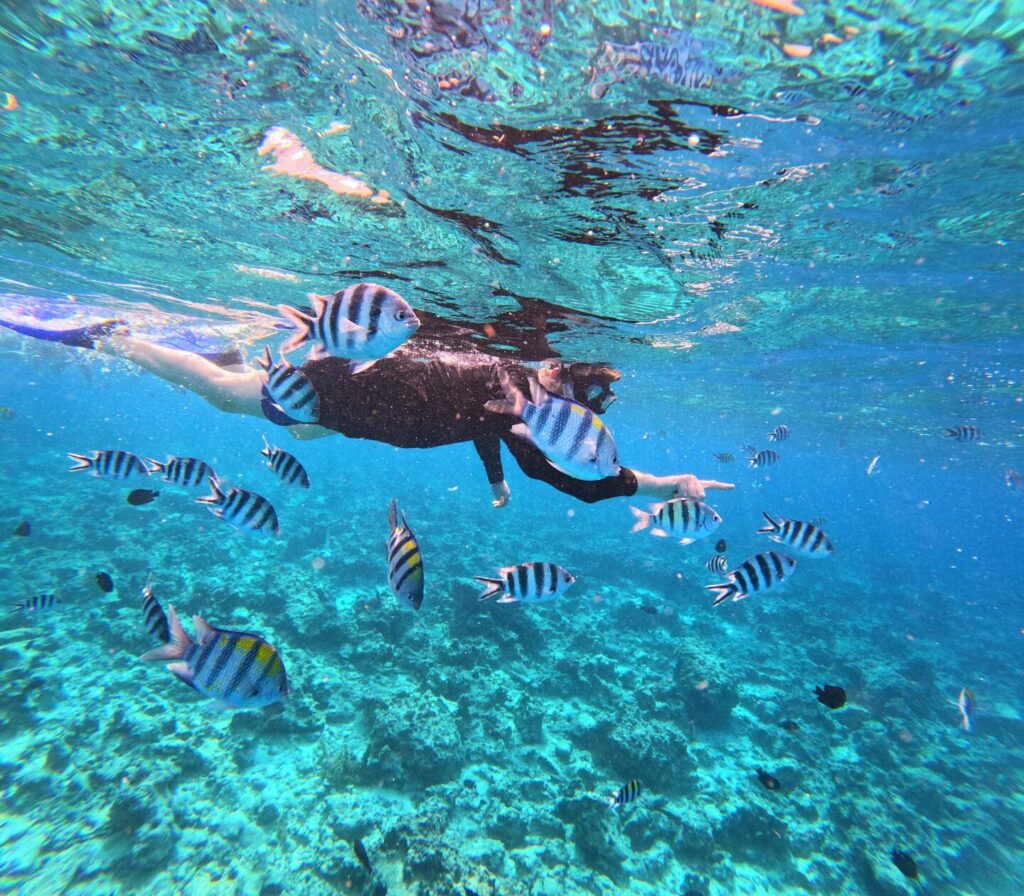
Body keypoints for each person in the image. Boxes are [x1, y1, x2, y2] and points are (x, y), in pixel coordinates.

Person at [0, 311, 733, 508]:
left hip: (355, 408)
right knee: (222, 402)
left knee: (289, 421)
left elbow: (497, 429)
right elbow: (564, 479)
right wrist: (669, 485)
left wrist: (495, 480)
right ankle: (117, 337)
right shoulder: (515, 392)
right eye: (577, 393)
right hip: (336, 393)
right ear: (556, 372)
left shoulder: (516, 394)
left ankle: (222, 353)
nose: (569, 407)